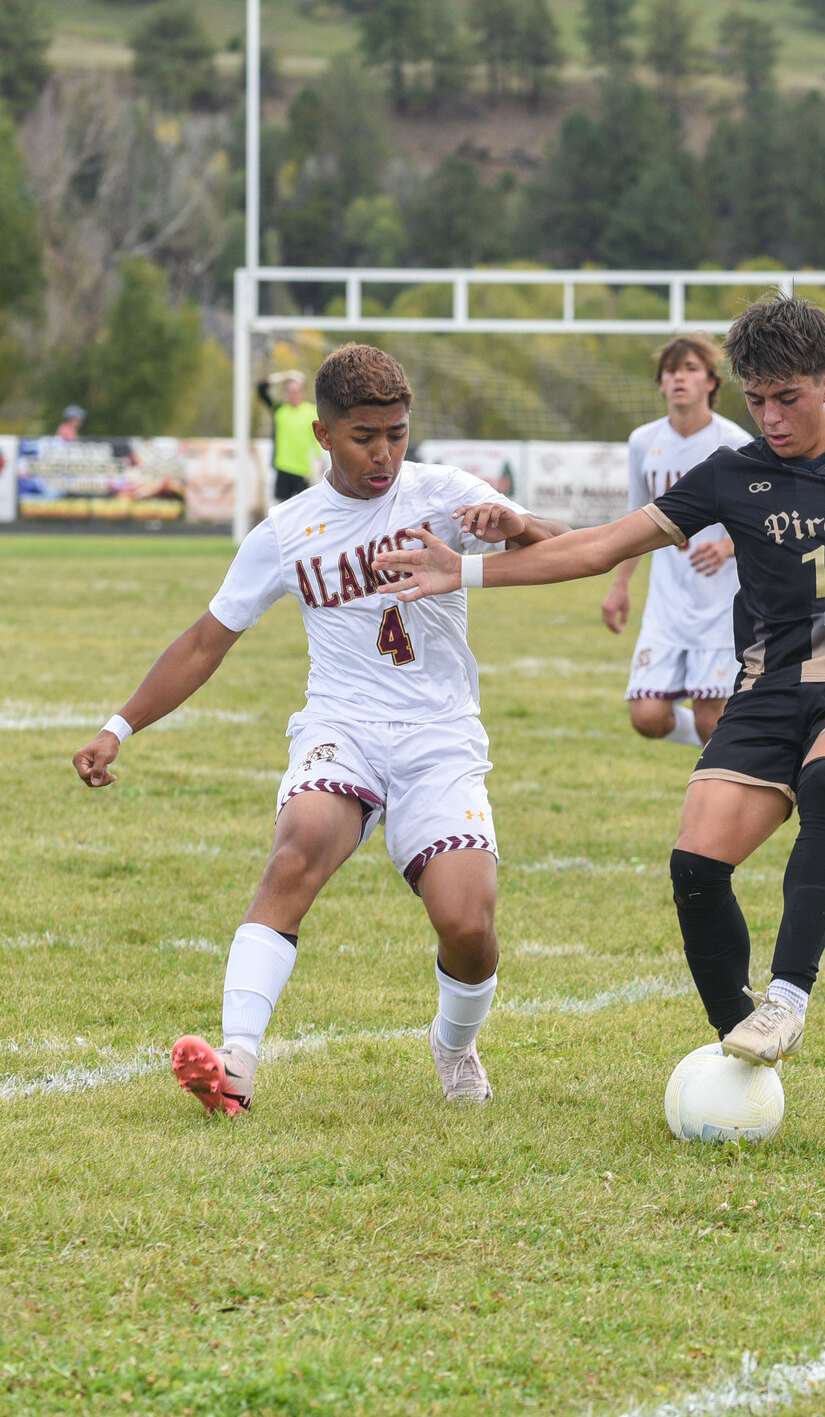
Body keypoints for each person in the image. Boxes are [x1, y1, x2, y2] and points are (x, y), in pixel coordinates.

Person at [373, 294, 825, 1073]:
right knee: (694, 866)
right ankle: (742, 1038)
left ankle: (788, 997)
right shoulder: (727, 475)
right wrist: (467, 571)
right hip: (768, 686)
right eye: (755, 401)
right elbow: (598, 547)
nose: (771, 419)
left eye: (786, 398)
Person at [73, 343, 569, 1117]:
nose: (383, 453)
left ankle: (453, 1043)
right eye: (365, 436)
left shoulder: (445, 495)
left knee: (466, 924)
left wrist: (519, 522)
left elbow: (573, 552)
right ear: (323, 434)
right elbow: (207, 640)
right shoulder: (287, 530)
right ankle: (235, 1061)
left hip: (439, 733)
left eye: (397, 434)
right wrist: (118, 726)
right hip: (343, 724)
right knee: (296, 848)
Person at [601, 335, 751, 747]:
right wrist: (619, 586)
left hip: (719, 605)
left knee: (711, 721)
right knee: (647, 717)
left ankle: (730, 769)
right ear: (661, 383)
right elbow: (635, 521)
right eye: (671, 370)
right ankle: (724, 747)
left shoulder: (737, 443)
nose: (679, 377)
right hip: (666, 604)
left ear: (711, 382)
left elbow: (762, 521)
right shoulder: (643, 441)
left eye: (690, 368)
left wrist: (726, 547)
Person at [258, 369, 319, 501]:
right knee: (282, 508)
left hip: (304, 470)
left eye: (296, 391)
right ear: (285, 393)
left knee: (305, 510)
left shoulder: (312, 411)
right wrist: (284, 375)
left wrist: (319, 462)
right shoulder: (279, 410)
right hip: (283, 467)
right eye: (290, 391)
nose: (293, 395)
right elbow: (261, 388)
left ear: (303, 392)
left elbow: (319, 439)